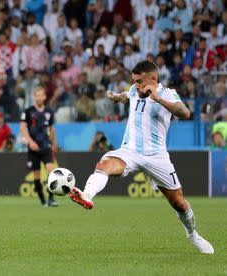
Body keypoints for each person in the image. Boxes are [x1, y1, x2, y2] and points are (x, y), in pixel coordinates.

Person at [69, 60, 214, 254]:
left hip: (157, 156)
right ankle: (87, 195)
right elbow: (126, 96)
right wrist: (116, 97)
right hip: (130, 151)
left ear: (153, 79)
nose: (135, 86)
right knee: (104, 165)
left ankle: (193, 234)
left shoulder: (167, 94)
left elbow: (185, 113)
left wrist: (158, 99)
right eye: (134, 81)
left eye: (139, 81)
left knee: (179, 202)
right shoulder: (133, 90)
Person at [20, 87, 58, 207]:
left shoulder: (49, 112)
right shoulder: (28, 111)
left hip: (46, 146)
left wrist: (54, 143)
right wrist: (30, 142)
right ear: (34, 97)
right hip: (33, 148)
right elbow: (22, 128)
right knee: (36, 175)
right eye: (37, 95)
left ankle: (51, 198)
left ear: (45, 97)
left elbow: (51, 129)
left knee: (51, 171)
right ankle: (42, 200)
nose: (40, 98)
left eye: (42, 95)